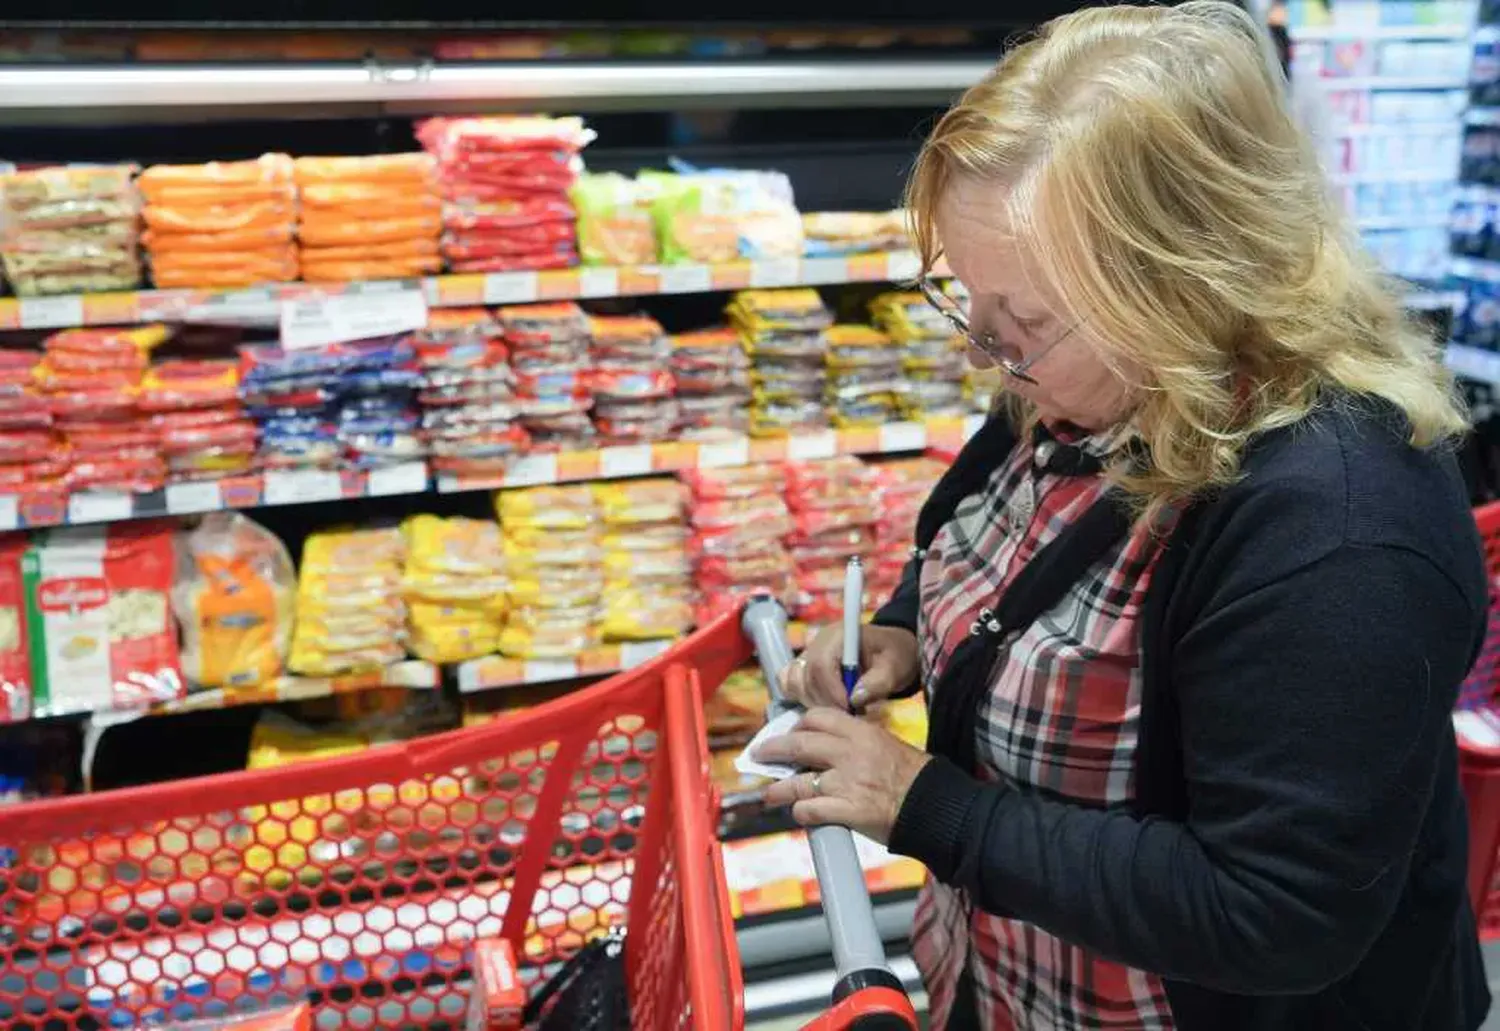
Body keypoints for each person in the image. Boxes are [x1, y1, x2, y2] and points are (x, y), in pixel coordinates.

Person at [756, 3, 1493, 1029]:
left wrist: (929, 806)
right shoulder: (1094, 379)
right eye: (969, 299)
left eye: (1020, 321)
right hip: (1018, 985)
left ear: (1184, 285)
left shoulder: (1341, 531)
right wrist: (904, 632)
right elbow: (1011, 534)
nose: (983, 349)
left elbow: (1276, 909)